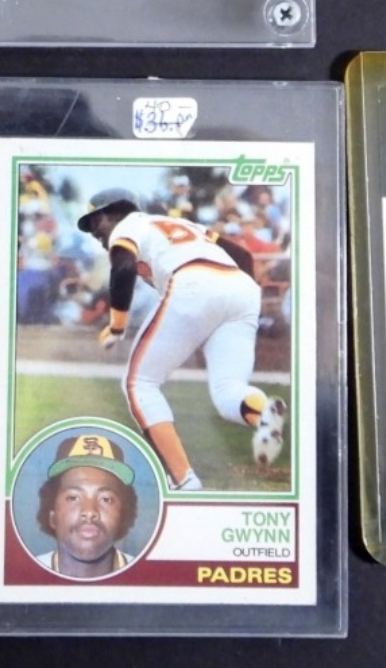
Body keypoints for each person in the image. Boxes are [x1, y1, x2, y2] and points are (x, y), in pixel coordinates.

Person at [77, 189, 286, 491]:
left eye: (95, 222)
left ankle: (183, 479)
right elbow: (243, 256)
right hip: (241, 288)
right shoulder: (186, 226)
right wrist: (239, 298)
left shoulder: (129, 224)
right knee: (229, 392)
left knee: (139, 384)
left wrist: (117, 326)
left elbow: (122, 268)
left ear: (112, 213)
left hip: (194, 281)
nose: (94, 232)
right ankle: (264, 415)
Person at [33, 433, 138, 578]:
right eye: (73, 498)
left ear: (123, 515)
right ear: (52, 516)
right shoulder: (26, 575)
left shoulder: (146, 576)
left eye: (105, 499)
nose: (89, 511)